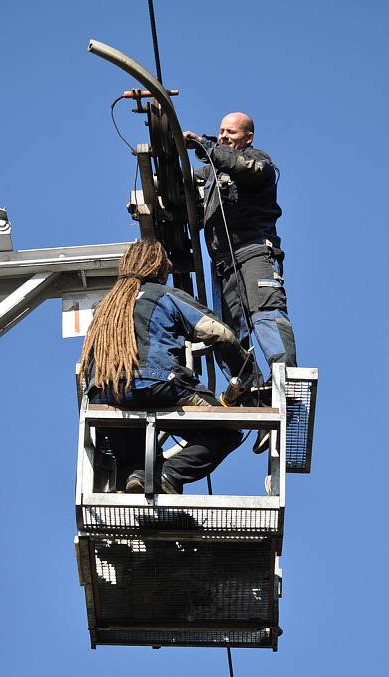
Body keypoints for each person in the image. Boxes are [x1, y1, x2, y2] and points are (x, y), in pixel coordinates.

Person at [79, 239, 254, 494]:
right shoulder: (162, 295)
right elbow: (220, 334)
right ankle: (168, 475)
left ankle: (140, 477)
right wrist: (246, 373)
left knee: (137, 461)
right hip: (155, 382)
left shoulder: (107, 306)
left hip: (106, 392)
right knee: (228, 429)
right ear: (158, 268)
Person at [183, 112, 297, 378]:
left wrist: (203, 145)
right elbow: (184, 183)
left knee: (265, 313)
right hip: (224, 266)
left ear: (249, 137)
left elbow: (242, 166)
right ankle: (249, 386)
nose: (223, 136)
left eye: (231, 133)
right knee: (227, 332)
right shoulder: (210, 174)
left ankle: (286, 378)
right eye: (221, 131)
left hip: (254, 253)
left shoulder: (259, 161)